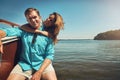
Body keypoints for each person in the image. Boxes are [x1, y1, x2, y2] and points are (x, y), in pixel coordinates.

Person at [0, 8, 63, 80]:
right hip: (24, 64)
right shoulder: (23, 30)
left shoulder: (49, 34)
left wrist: (39, 72)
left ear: (40, 17)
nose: (33, 20)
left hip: (42, 65)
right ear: (27, 20)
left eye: (35, 17)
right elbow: (7, 31)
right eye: (30, 19)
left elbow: (49, 55)